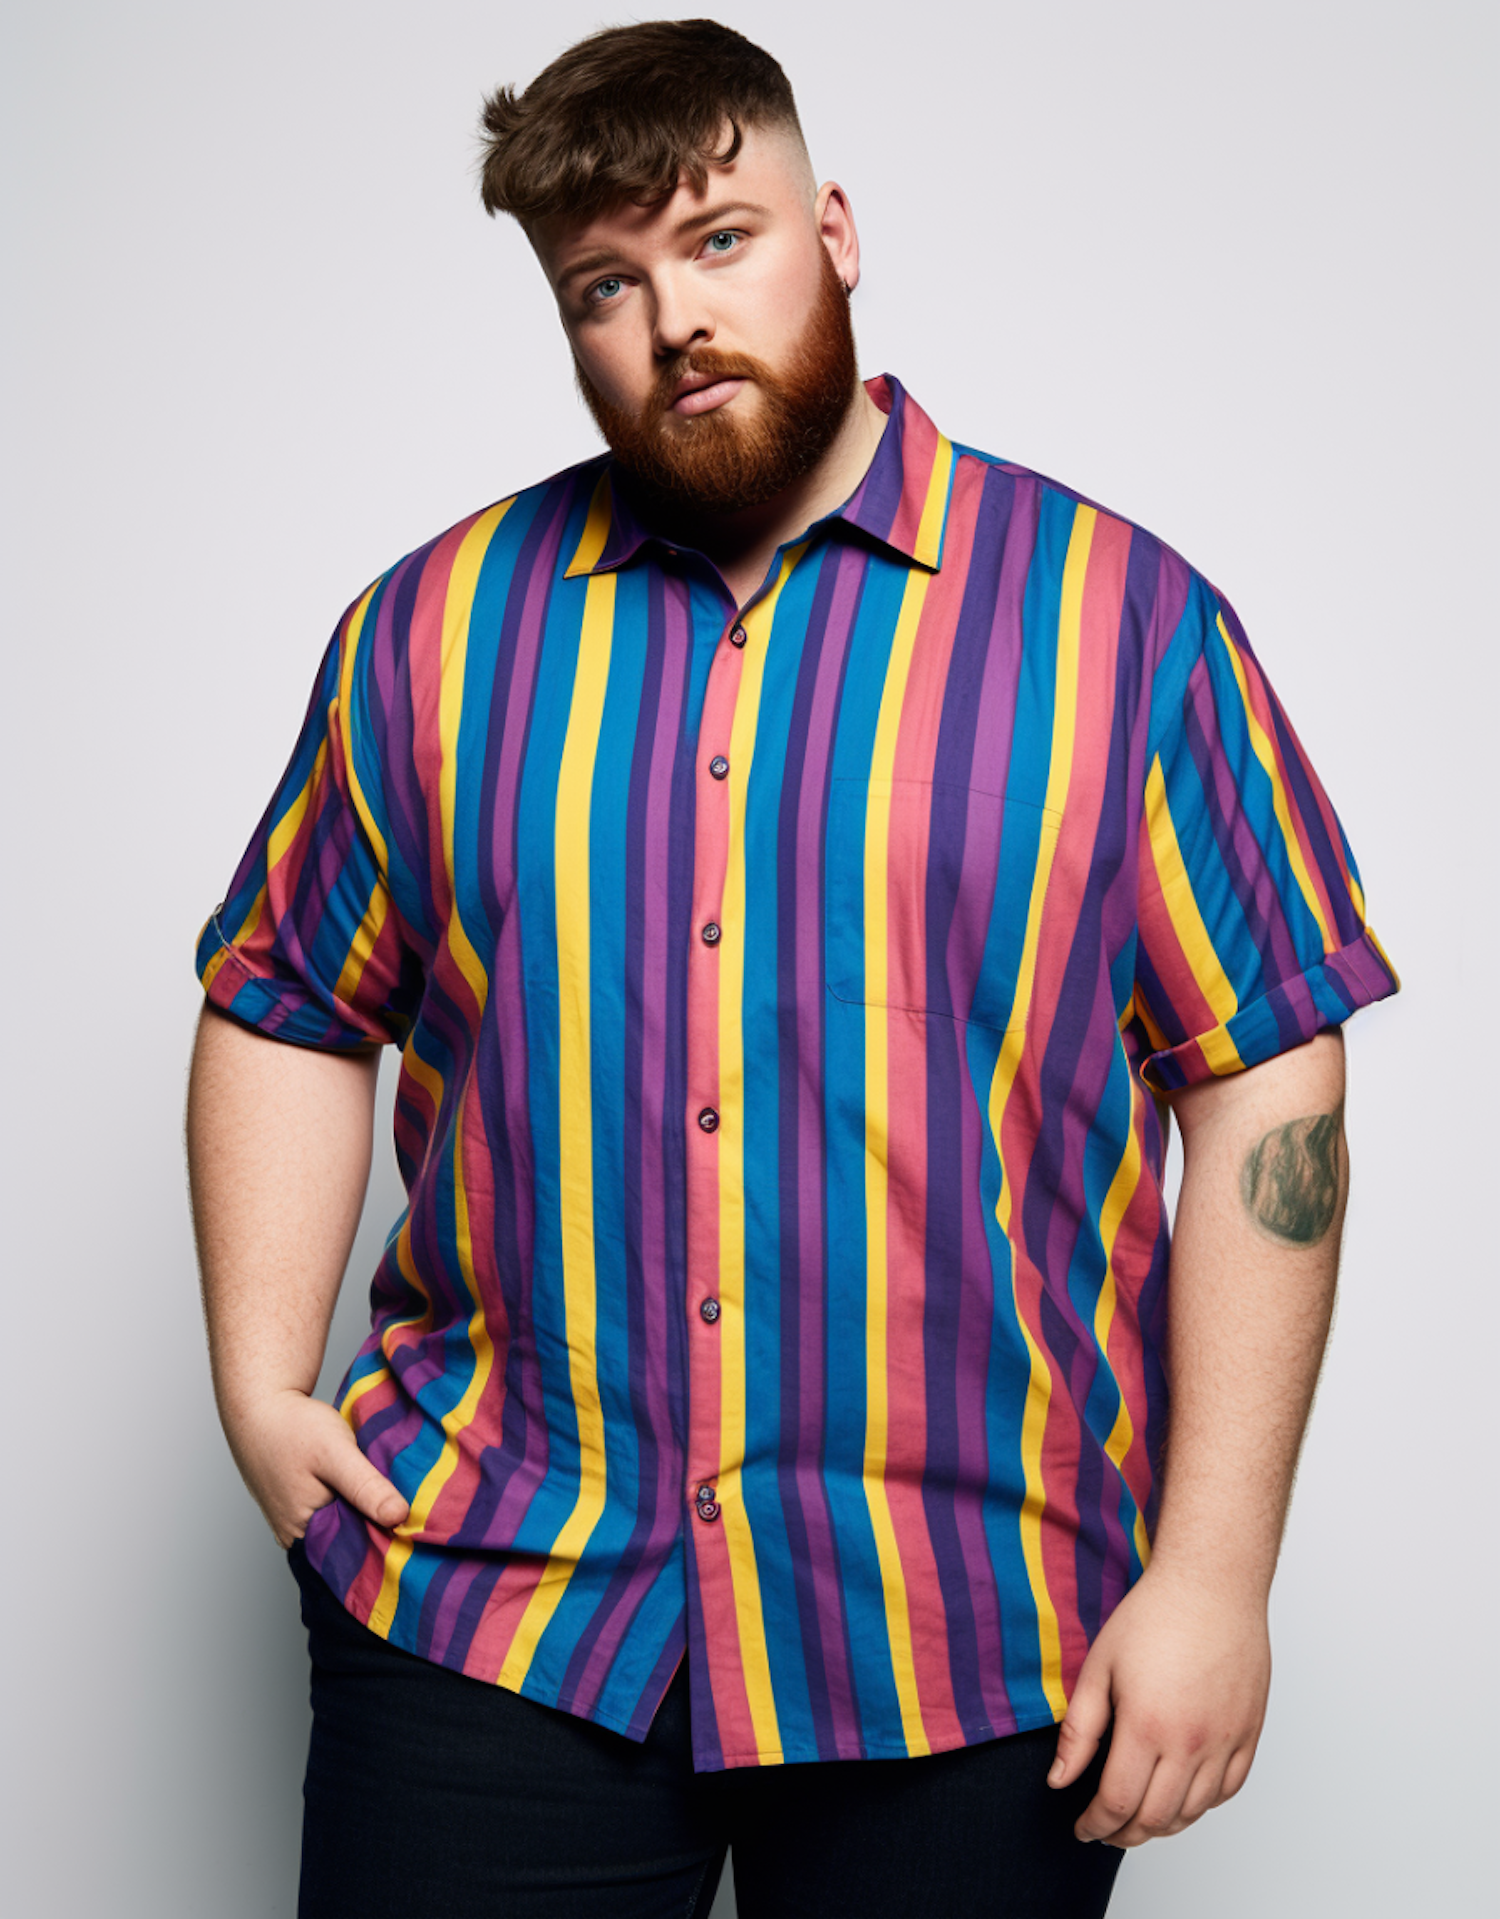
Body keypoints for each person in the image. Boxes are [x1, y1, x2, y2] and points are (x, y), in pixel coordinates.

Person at [185, 18, 1401, 1917]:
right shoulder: (432, 633)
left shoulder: (1124, 628)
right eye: (609, 281)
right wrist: (263, 1389)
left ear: (833, 229)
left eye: (722, 236)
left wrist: (1218, 1567)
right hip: (498, 1603)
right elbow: (284, 995)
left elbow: (1266, 1070)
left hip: (978, 1632)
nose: (676, 316)